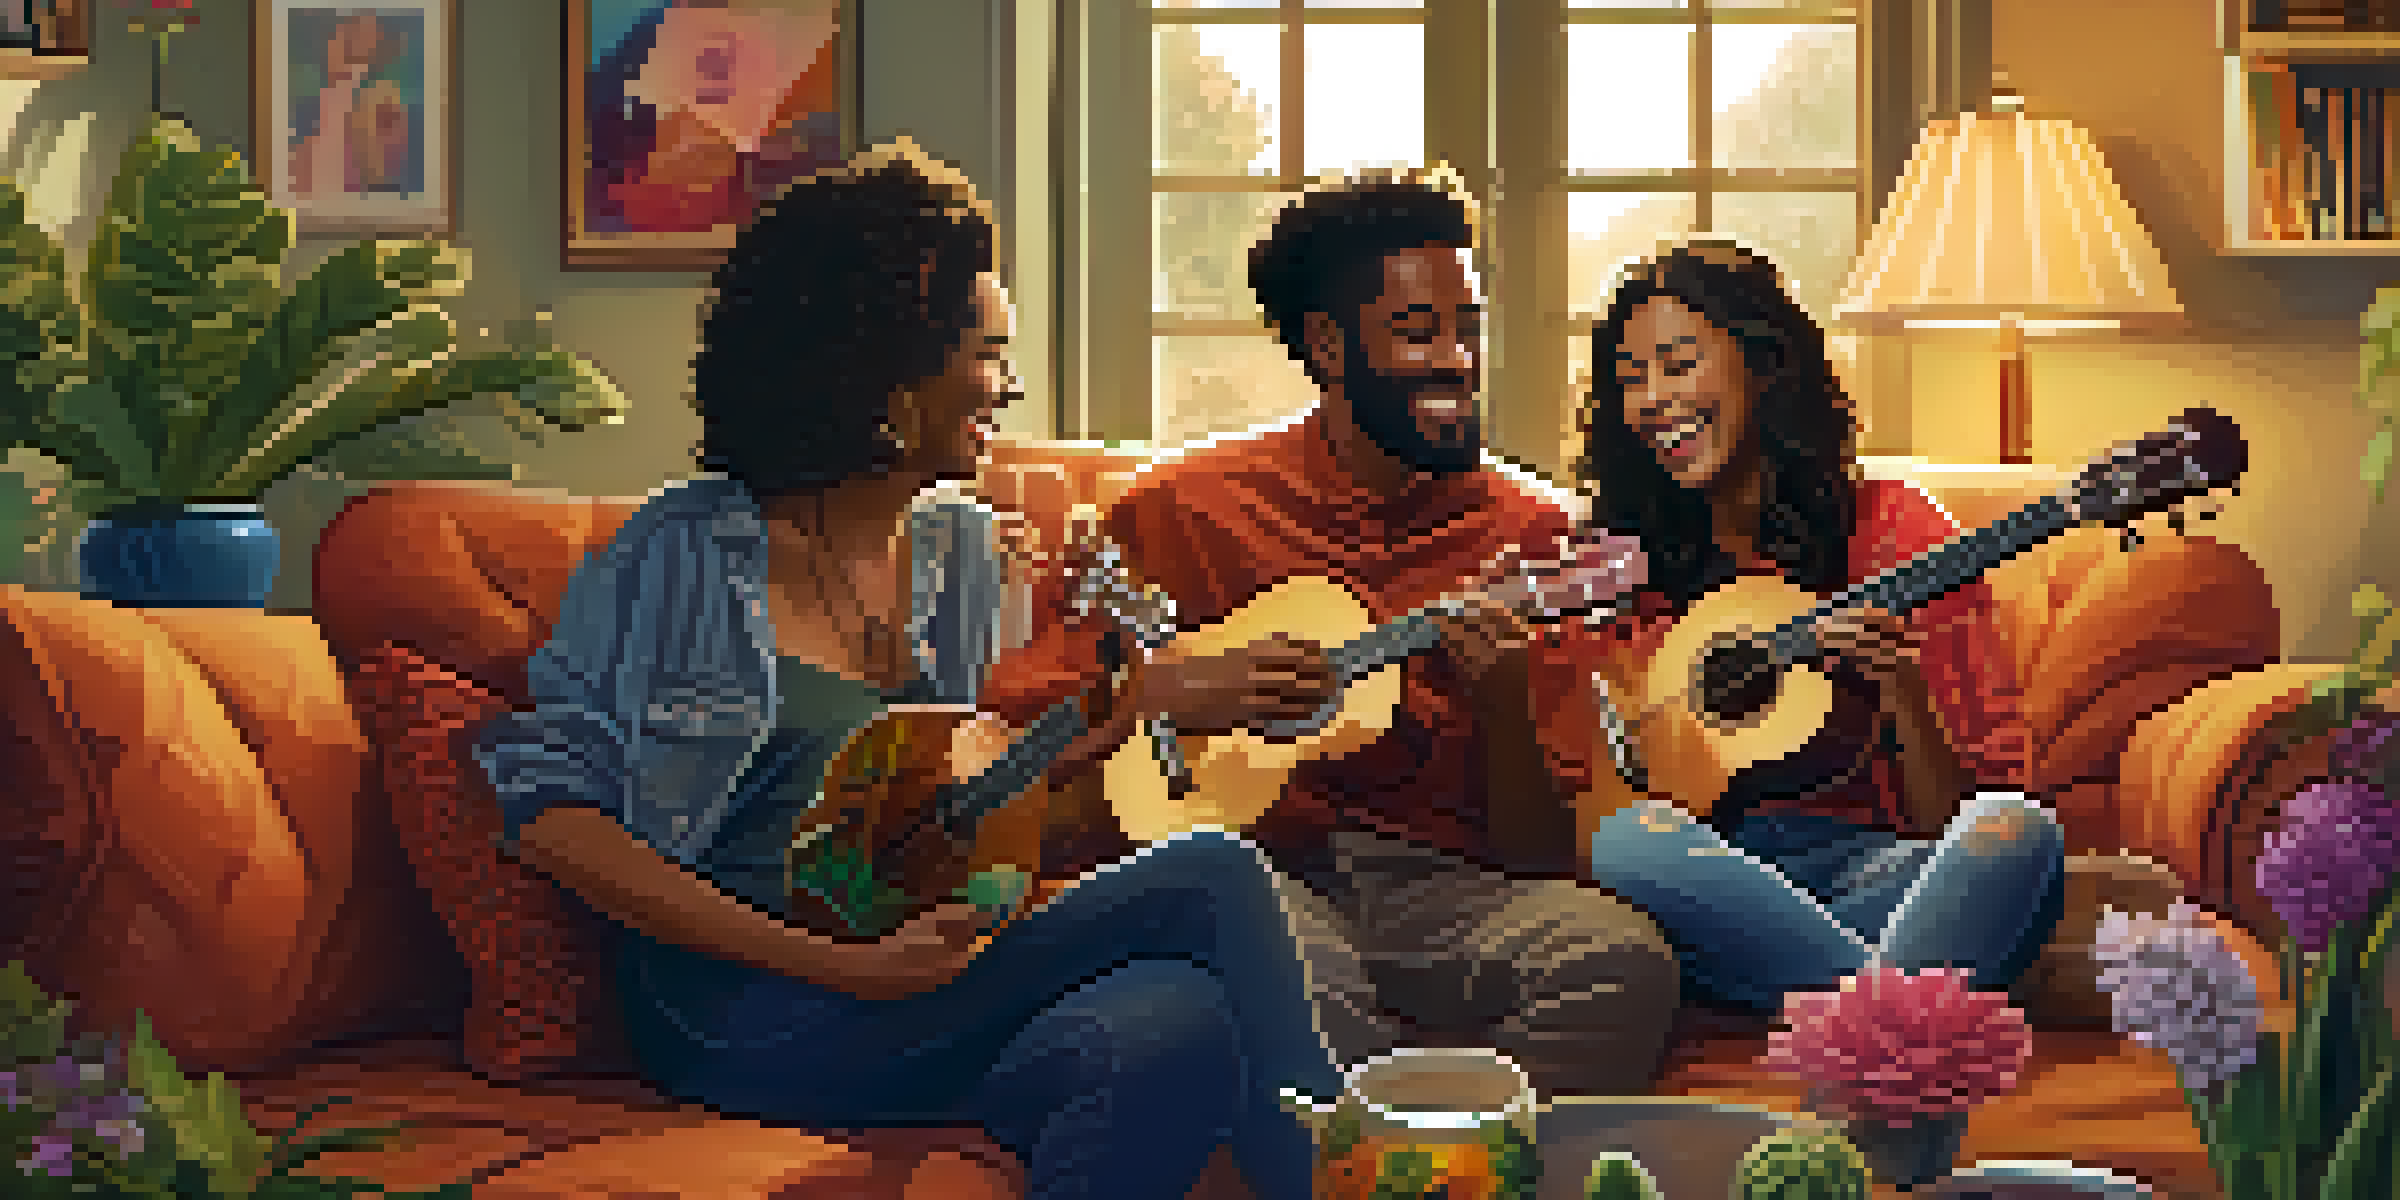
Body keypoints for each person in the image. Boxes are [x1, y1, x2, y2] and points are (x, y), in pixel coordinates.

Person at [471, 139, 1341, 1200]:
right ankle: (1361, 1173)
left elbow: (950, 816)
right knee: (1213, 873)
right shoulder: (680, 553)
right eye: (986, 353)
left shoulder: (964, 551)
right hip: (743, 1003)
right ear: (887, 375)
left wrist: (1092, 742)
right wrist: (842, 966)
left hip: (915, 976)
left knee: (1173, 1025)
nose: (1008, 386)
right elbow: (551, 819)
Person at [986, 166, 1683, 1098]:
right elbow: (1015, 718)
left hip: (1445, 887)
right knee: (1292, 976)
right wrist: (1172, 690)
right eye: (1417, 331)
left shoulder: (1537, 541)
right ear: (1326, 344)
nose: (1456, 361)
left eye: (1468, 328)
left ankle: (1457, 1143)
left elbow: (1537, 855)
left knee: (1623, 964)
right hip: (1247, 867)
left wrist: (1504, 707)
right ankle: (1371, 1140)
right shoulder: (1182, 509)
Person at [1575, 235, 2068, 1016]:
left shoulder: (1897, 534)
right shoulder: (1620, 563)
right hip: (1709, 876)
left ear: (1765, 365)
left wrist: (1902, 691)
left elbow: (1956, 822)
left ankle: (1848, 1010)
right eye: (1631, 378)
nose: (1654, 399)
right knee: (1624, 841)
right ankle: (1892, 1018)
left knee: (2018, 832)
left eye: (1679, 364)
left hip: (1874, 874)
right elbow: (1593, 757)